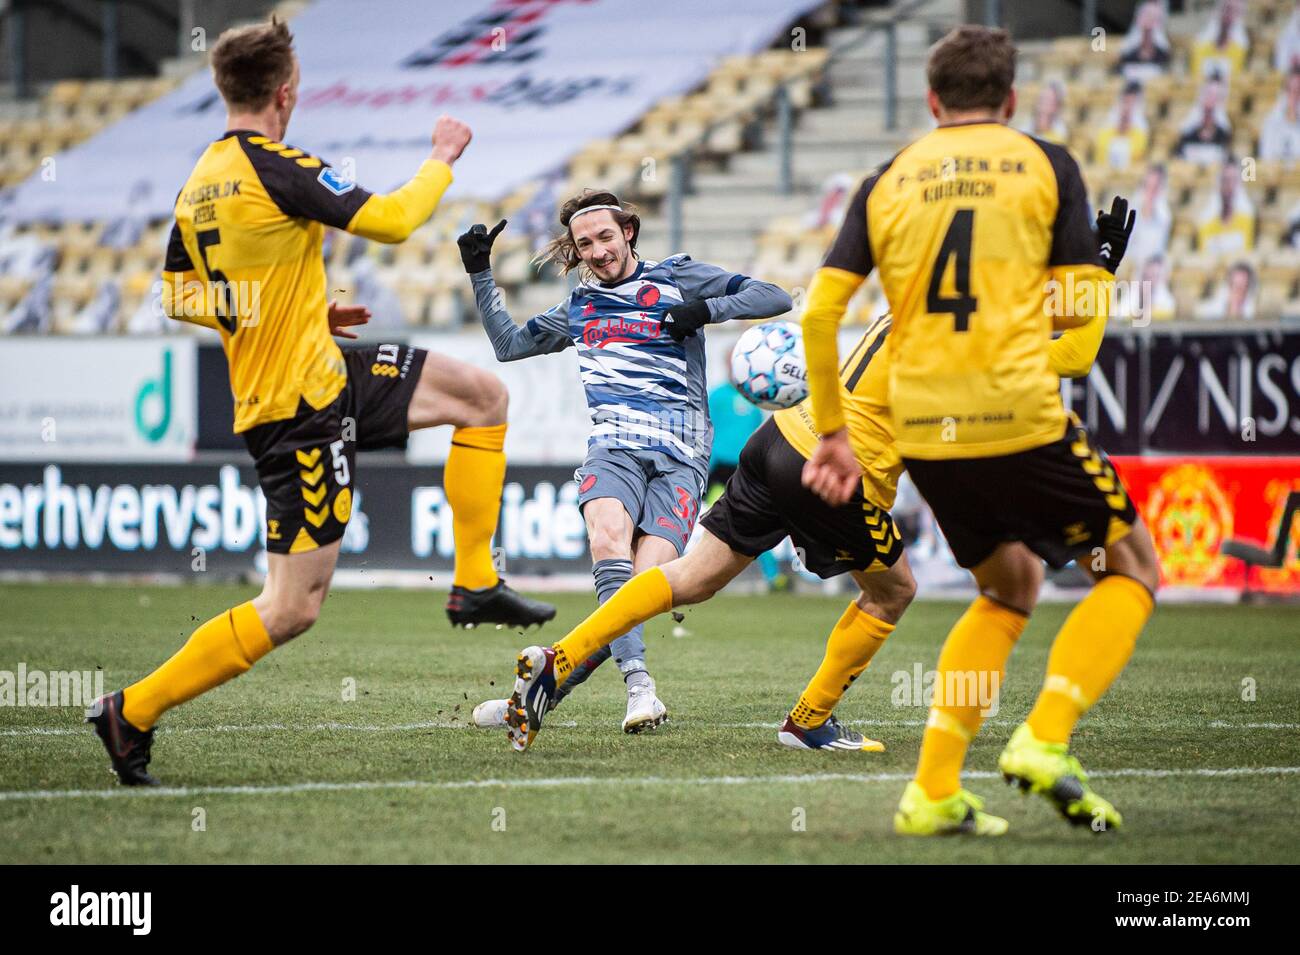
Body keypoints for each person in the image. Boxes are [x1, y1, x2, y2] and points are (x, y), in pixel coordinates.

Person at [86, 17, 555, 787]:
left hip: (320, 365)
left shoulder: (201, 177)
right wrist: (440, 159)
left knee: (482, 394)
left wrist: (288, 312)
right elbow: (396, 221)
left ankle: (475, 581)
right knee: (292, 606)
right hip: (296, 408)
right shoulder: (278, 165)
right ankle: (129, 712)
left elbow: (175, 293)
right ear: (287, 90)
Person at [800, 26, 1157, 836]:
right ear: (1012, 100)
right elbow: (1073, 328)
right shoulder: (1045, 162)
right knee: (1132, 566)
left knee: (1007, 588)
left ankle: (931, 790)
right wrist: (1098, 267)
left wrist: (832, 433)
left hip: (928, 431)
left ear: (932, 101)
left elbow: (820, 313)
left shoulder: (886, 178)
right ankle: (1045, 738)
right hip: (1021, 415)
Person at [459, 190, 791, 734]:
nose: (597, 251)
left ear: (628, 232)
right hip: (613, 448)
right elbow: (509, 346)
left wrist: (705, 309)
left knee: (641, 590)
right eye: (585, 243)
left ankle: (543, 692)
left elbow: (774, 296)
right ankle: (640, 688)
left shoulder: (677, 278)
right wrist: (479, 272)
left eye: (606, 237)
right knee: (607, 539)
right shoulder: (579, 307)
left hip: (682, 456)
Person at [1197, 161, 1256, 254]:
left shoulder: (1246, 219)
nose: (1229, 187)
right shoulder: (1206, 223)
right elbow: (1204, 255)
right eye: (1225, 180)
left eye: (1234, 181)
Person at [1093, 82, 1149, 170]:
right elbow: (1100, 153)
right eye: (1125, 102)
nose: (1126, 108)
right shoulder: (1107, 130)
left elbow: (1139, 154)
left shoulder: (1140, 131)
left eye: (1131, 103)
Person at [1117, 1, 1172, 83]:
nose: (1148, 21)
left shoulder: (1162, 51)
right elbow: (1123, 58)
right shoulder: (1130, 50)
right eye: (1146, 16)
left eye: (1152, 18)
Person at [1259, 68, 1300, 163]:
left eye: (1298, 91)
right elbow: (1266, 157)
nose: (1294, 96)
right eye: (1290, 90)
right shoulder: (1271, 122)